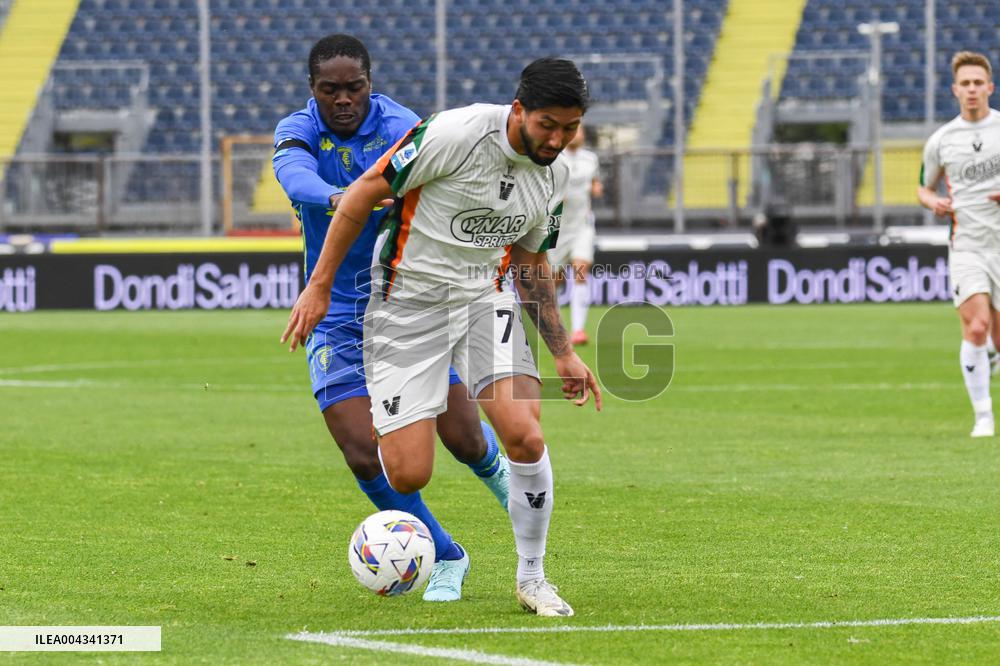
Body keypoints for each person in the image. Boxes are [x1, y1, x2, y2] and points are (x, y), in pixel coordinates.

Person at [282, 57, 602, 616]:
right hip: (406, 301)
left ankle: (533, 578)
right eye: (548, 125)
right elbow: (360, 195)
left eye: (569, 128)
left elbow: (530, 263)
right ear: (519, 109)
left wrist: (564, 353)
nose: (557, 139)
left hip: (486, 297)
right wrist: (319, 287)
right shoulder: (455, 133)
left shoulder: (555, 174)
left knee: (525, 434)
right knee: (407, 471)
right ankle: (450, 537)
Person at [272, 34, 510, 601]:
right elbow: (295, 178)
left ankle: (506, 480)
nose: (343, 99)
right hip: (334, 312)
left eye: (354, 88)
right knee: (360, 449)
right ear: (314, 91)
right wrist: (345, 197)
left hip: (407, 301)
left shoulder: (403, 127)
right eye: (331, 90)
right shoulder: (299, 129)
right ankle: (448, 555)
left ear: (370, 84)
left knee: (463, 436)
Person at [918, 50, 1000, 438]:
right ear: (955, 90)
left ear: (990, 87)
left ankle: (991, 358)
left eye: (977, 83)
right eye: (964, 84)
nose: (971, 90)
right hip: (966, 245)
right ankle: (983, 416)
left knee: (997, 337)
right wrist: (933, 201)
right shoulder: (941, 140)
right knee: (977, 326)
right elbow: (923, 185)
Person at [546, 124, 602, 345]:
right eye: (573, 130)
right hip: (558, 227)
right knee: (553, 280)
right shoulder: (554, 159)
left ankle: (578, 330)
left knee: (581, 269)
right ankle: (555, 328)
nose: (577, 134)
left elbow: (595, 182)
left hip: (582, 225)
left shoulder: (590, 159)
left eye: (580, 130)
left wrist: (596, 188)